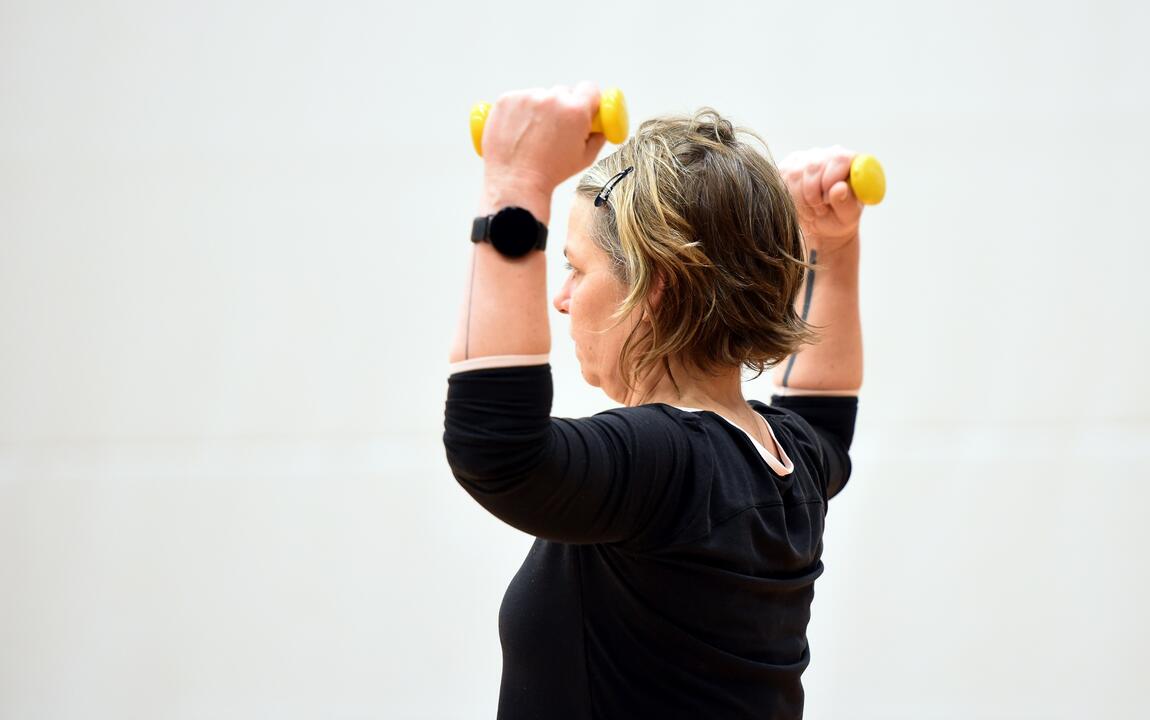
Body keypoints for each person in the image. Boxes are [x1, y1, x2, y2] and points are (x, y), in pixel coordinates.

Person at [443, 82, 863, 720]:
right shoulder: (783, 459)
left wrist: (516, 182)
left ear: (653, 286)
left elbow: (498, 451)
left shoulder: (670, 464)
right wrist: (833, 252)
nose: (561, 298)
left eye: (577, 270)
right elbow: (826, 418)